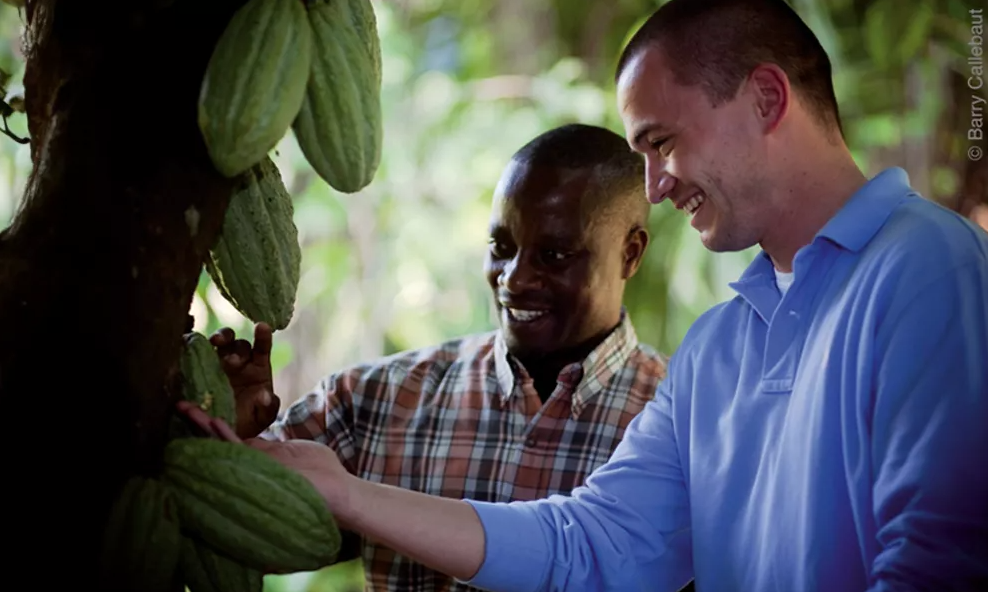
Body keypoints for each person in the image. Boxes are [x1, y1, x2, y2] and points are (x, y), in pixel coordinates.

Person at [181, 0, 988, 590]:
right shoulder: (719, 346)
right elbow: (592, 543)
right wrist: (345, 494)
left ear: (767, 99)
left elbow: (939, 563)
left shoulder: (926, 265)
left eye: (661, 143)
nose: (655, 187)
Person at [195, 123, 672, 591]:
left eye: (554, 255)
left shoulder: (679, 424)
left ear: (630, 254)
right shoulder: (373, 399)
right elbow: (232, 531)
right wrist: (228, 428)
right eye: (501, 247)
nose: (514, 279)